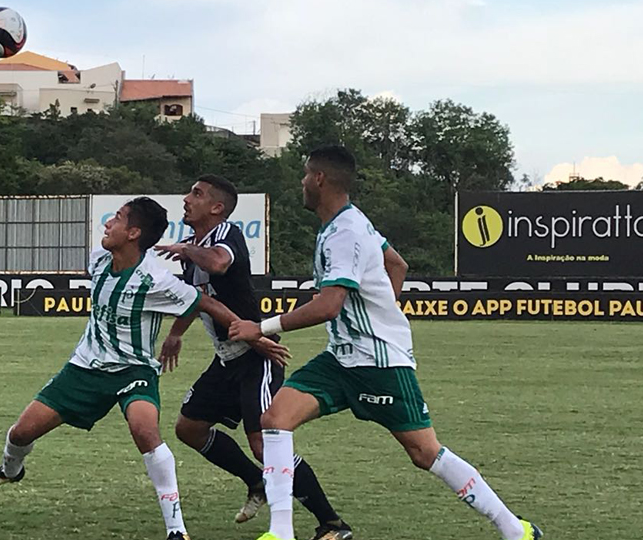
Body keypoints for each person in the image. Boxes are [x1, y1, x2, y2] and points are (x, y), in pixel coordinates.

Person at [229, 146, 542, 540]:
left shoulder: (345, 233)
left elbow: (328, 305)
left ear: (321, 179)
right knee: (274, 419)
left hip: (379, 364)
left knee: (425, 453)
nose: (302, 182)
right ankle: (281, 533)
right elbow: (397, 264)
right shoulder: (349, 222)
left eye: (306, 174)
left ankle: (515, 530)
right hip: (342, 360)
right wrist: (385, 309)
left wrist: (262, 327)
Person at [0, 197, 289, 540]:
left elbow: (206, 302)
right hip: (84, 369)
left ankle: (176, 530)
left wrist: (255, 336)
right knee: (20, 433)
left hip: (134, 372)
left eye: (116, 219)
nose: (107, 224)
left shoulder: (154, 280)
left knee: (146, 432)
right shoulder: (99, 260)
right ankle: (9, 471)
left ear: (133, 233)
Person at [155, 175, 352, 540]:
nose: (186, 199)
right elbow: (199, 296)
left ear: (217, 208)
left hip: (256, 356)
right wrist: (176, 333)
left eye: (195, 194)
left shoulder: (224, 235)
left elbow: (218, 265)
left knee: (264, 442)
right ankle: (256, 482)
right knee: (189, 428)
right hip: (227, 358)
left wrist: (185, 251)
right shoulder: (193, 246)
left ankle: (332, 523)